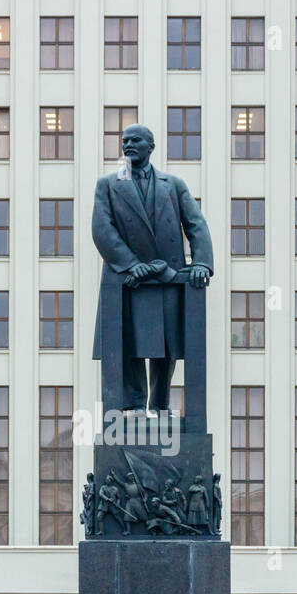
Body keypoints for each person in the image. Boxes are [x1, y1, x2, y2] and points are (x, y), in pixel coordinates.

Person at [91, 124, 214, 413]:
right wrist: (132, 265)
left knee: (166, 345)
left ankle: (160, 405)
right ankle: (133, 404)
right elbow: (102, 230)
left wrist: (201, 263)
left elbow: (196, 225)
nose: (128, 145)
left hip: (167, 277)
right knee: (130, 342)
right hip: (128, 279)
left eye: (135, 140)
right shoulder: (108, 185)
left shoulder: (174, 185)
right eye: (124, 141)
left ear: (151, 146)